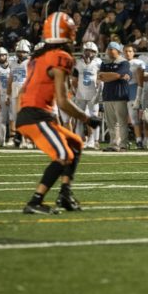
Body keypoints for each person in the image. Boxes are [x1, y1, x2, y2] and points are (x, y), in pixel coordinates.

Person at [17, 12, 100, 214]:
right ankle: (35, 201)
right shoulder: (61, 57)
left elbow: (23, 92)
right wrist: (87, 119)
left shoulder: (38, 57)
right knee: (63, 154)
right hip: (36, 115)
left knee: (75, 143)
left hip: (34, 113)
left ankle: (64, 193)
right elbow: (63, 101)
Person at [98, 41, 132, 152]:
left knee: (121, 122)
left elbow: (117, 75)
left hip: (120, 94)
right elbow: (101, 76)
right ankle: (113, 144)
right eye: (108, 49)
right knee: (111, 122)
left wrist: (111, 75)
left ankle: (123, 144)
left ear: (117, 51)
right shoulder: (105, 62)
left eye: (111, 49)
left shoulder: (124, 62)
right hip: (108, 95)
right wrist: (115, 76)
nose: (109, 51)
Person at [71, 42, 102, 150]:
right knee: (79, 117)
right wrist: (75, 91)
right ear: (83, 51)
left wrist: (99, 92)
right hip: (80, 93)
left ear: (96, 52)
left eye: (92, 51)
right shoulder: (78, 63)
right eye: (87, 51)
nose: (89, 53)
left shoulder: (99, 63)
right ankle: (80, 140)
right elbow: (74, 80)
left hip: (93, 94)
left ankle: (94, 140)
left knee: (94, 117)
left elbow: (100, 78)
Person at [6, 40, 31, 148]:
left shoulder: (30, 63)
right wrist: (8, 94)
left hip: (26, 93)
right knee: (14, 116)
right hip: (15, 93)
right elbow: (10, 79)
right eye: (19, 51)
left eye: (23, 52)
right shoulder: (12, 63)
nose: (21, 54)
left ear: (27, 52)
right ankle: (15, 138)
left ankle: (27, 139)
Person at [123, 45, 145, 149]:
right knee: (121, 118)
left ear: (133, 52)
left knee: (134, 118)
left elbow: (141, 81)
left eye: (130, 51)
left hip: (133, 90)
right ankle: (123, 141)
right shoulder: (120, 63)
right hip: (121, 91)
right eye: (126, 51)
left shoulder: (138, 63)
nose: (128, 53)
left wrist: (138, 97)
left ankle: (139, 140)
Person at [0, 47, 12, 147]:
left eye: (3, 55)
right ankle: (2, 141)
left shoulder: (14, 66)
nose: (1, 57)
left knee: (15, 119)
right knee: (2, 120)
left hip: (14, 96)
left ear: (7, 55)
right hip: (3, 96)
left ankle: (17, 140)